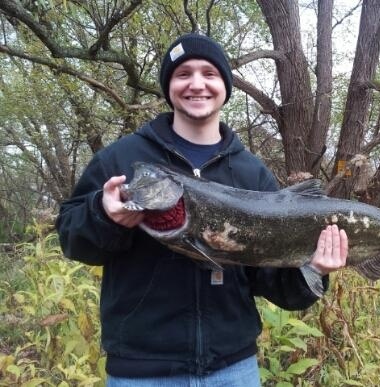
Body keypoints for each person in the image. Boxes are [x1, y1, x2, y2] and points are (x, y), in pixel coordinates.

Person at [56, 33, 348, 386]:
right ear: (169, 86)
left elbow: (270, 279)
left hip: (233, 370)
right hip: (141, 372)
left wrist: (313, 269)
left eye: (209, 73)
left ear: (224, 85)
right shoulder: (124, 159)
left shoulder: (251, 172)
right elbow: (73, 240)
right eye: (183, 74)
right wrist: (104, 215)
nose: (197, 84)